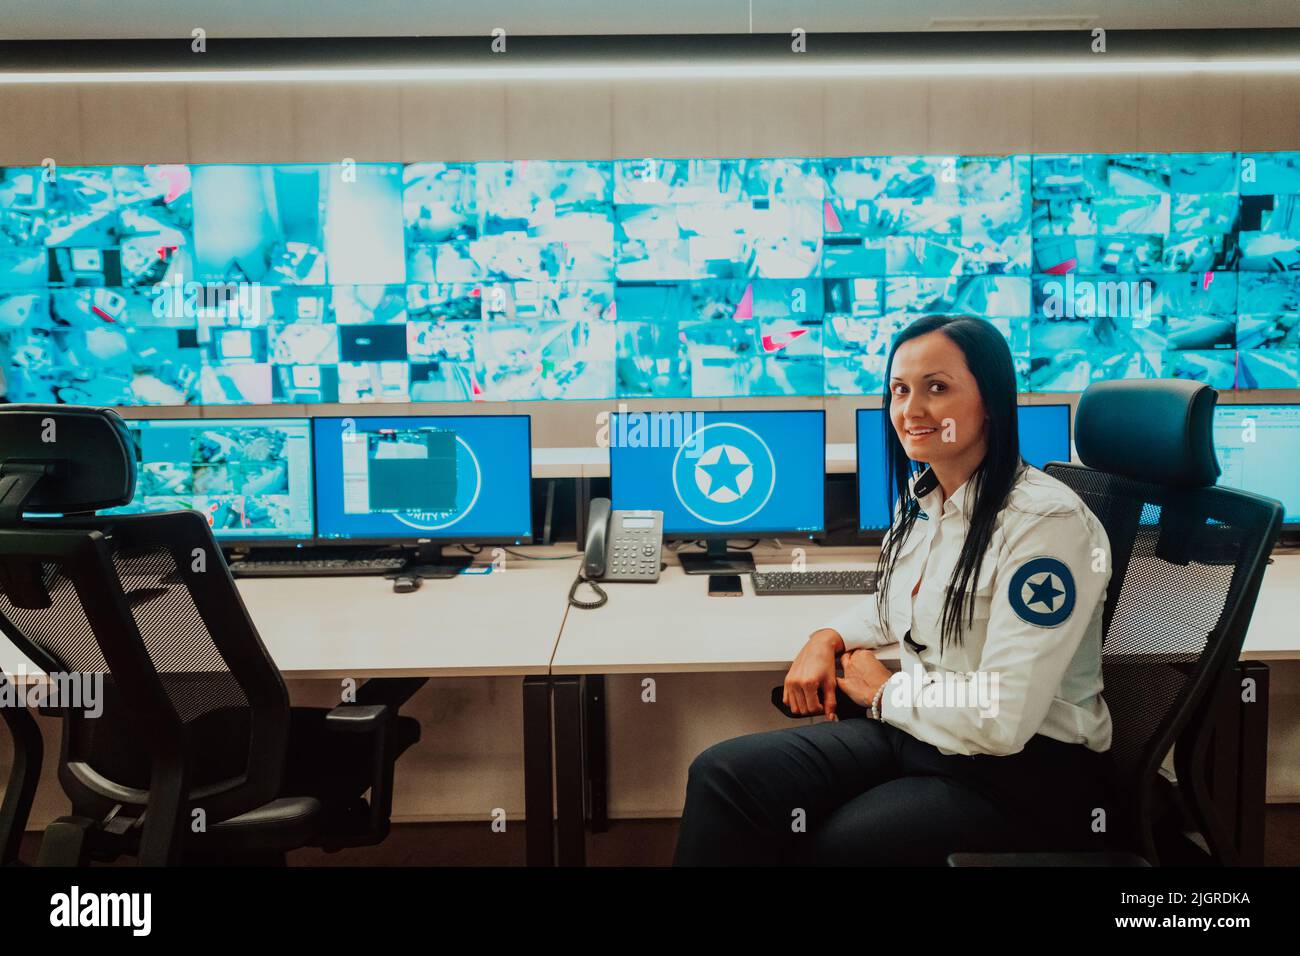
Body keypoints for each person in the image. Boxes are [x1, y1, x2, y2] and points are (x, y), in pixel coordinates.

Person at [674, 314, 1116, 866]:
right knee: (722, 776)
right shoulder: (932, 502)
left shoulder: (1046, 525)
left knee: (835, 846)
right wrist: (826, 636)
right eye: (900, 390)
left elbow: (1001, 716)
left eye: (937, 387)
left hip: (1023, 772)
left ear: (992, 403)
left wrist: (882, 692)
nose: (911, 410)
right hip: (926, 735)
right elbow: (895, 605)